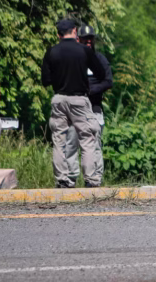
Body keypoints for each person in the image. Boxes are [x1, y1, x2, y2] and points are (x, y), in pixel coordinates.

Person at [41, 18, 107, 188]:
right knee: (88, 138)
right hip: (80, 100)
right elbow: (100, 73)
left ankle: (63, 180)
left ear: (58, 34)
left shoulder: (52, 52)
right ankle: (91, 179)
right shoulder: (84, 51)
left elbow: (45, 81)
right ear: (74, 31)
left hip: (59, 99)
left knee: (59, 140)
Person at [61, 24, 113, 186]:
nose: (88, 42)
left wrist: (91, 90)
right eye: (85, 39)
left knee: (94, 145)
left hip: (94, 109)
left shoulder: (100, 59)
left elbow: (108, 81)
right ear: (78, 40)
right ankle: (69, 180)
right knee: (70, 144)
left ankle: (94, 180)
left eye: (90, 39)